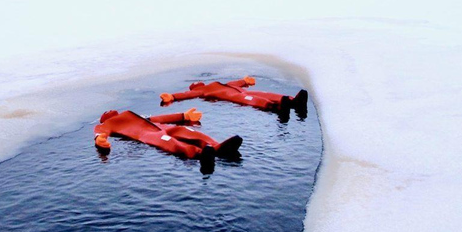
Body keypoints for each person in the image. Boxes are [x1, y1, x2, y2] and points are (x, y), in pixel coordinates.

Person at [93, 108, 242, 171]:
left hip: (163, 128)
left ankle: (216, 147)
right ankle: (199, 154)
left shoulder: (137, 116)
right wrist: (100, 139)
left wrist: (183, 116)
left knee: (189, 132)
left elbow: (160, 118)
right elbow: (100, 132)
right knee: (171, 142)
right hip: (150, 135)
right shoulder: (107, 124)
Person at [159, 76, 308, 114]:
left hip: (240, 92)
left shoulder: (216, 85)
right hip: (235, 96)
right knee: (254, 99)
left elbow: (234, 83)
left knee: (264, 93)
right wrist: (173, 96)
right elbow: (186, 95)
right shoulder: (201, 91)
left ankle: (292, 100)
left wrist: (244, 81)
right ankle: (279, 105)